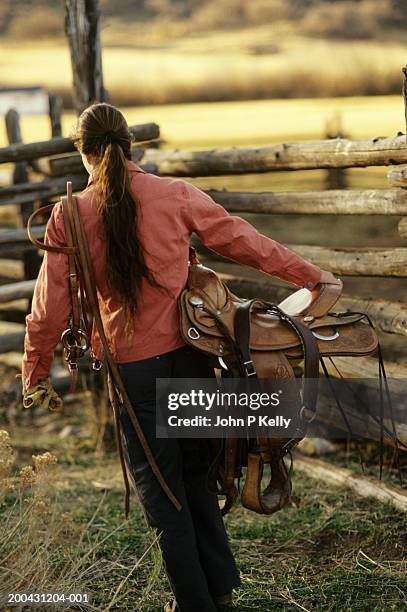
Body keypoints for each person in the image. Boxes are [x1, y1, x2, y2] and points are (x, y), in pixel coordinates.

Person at [21, 103, 339, 612]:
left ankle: (194, 603)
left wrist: (35, 370)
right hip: (192, 359)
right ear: (130, 146)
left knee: (163, 494)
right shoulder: (174, 195)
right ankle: (218, 592)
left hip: (134, 376)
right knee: (195, 477)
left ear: (85, 154)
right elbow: (244, 241)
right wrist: (309, 274)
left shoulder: (71, 215)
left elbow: (48, 306)